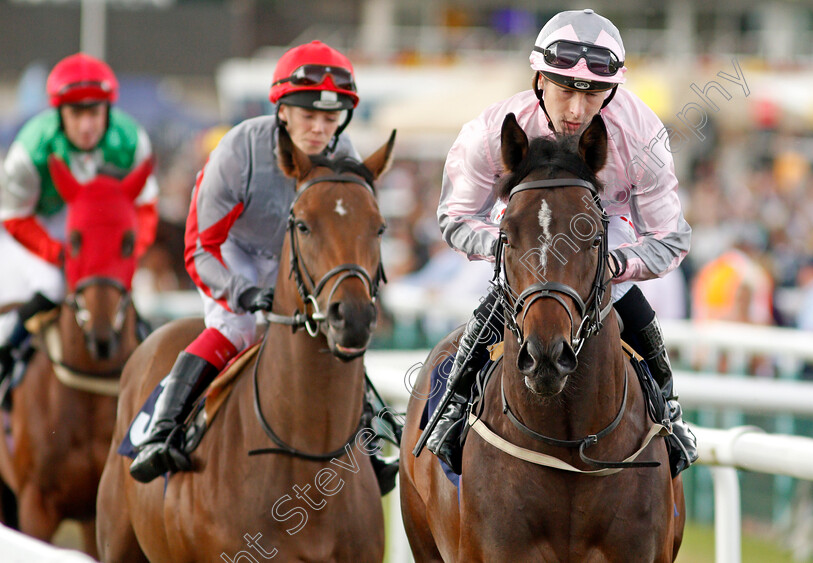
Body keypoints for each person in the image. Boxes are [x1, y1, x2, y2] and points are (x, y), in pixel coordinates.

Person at [426, 9, 698, 477]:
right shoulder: (491, 131)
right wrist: (515, 249)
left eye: (592, 95)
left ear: (612, 90)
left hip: (603, 242)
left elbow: (670, 237)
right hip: (525, 239)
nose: (576, 111)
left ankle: (668, 412)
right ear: (540, 78)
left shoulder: (643, 133)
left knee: (634, 311)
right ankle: (452, 407)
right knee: (498, 308)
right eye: (566, 90)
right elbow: (454, 216)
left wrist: (613, 265)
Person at [129, 41, 401, 493]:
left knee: (336, 329)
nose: (318, 129)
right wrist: (243, 292)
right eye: (307, 116)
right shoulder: (238, 151)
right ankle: (161, 430)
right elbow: (200, 247)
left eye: (329, 119)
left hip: (295, 253)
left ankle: (371, 446)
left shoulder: (344, 156)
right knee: (237, 327)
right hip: (229, 251)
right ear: (282, 112)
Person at [0, 53, 159, 405]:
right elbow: (13, 217)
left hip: (98, 230)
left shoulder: (131, 140)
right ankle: (7, 356)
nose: (87, 125)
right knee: (53, 284)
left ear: (108, 111)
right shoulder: (31, 150)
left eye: (94, 113)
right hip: (41, 224)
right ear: (59, 114)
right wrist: (57, 253)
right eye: (76, 114)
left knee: (122, 294)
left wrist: (129, 251)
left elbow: (145, 209)